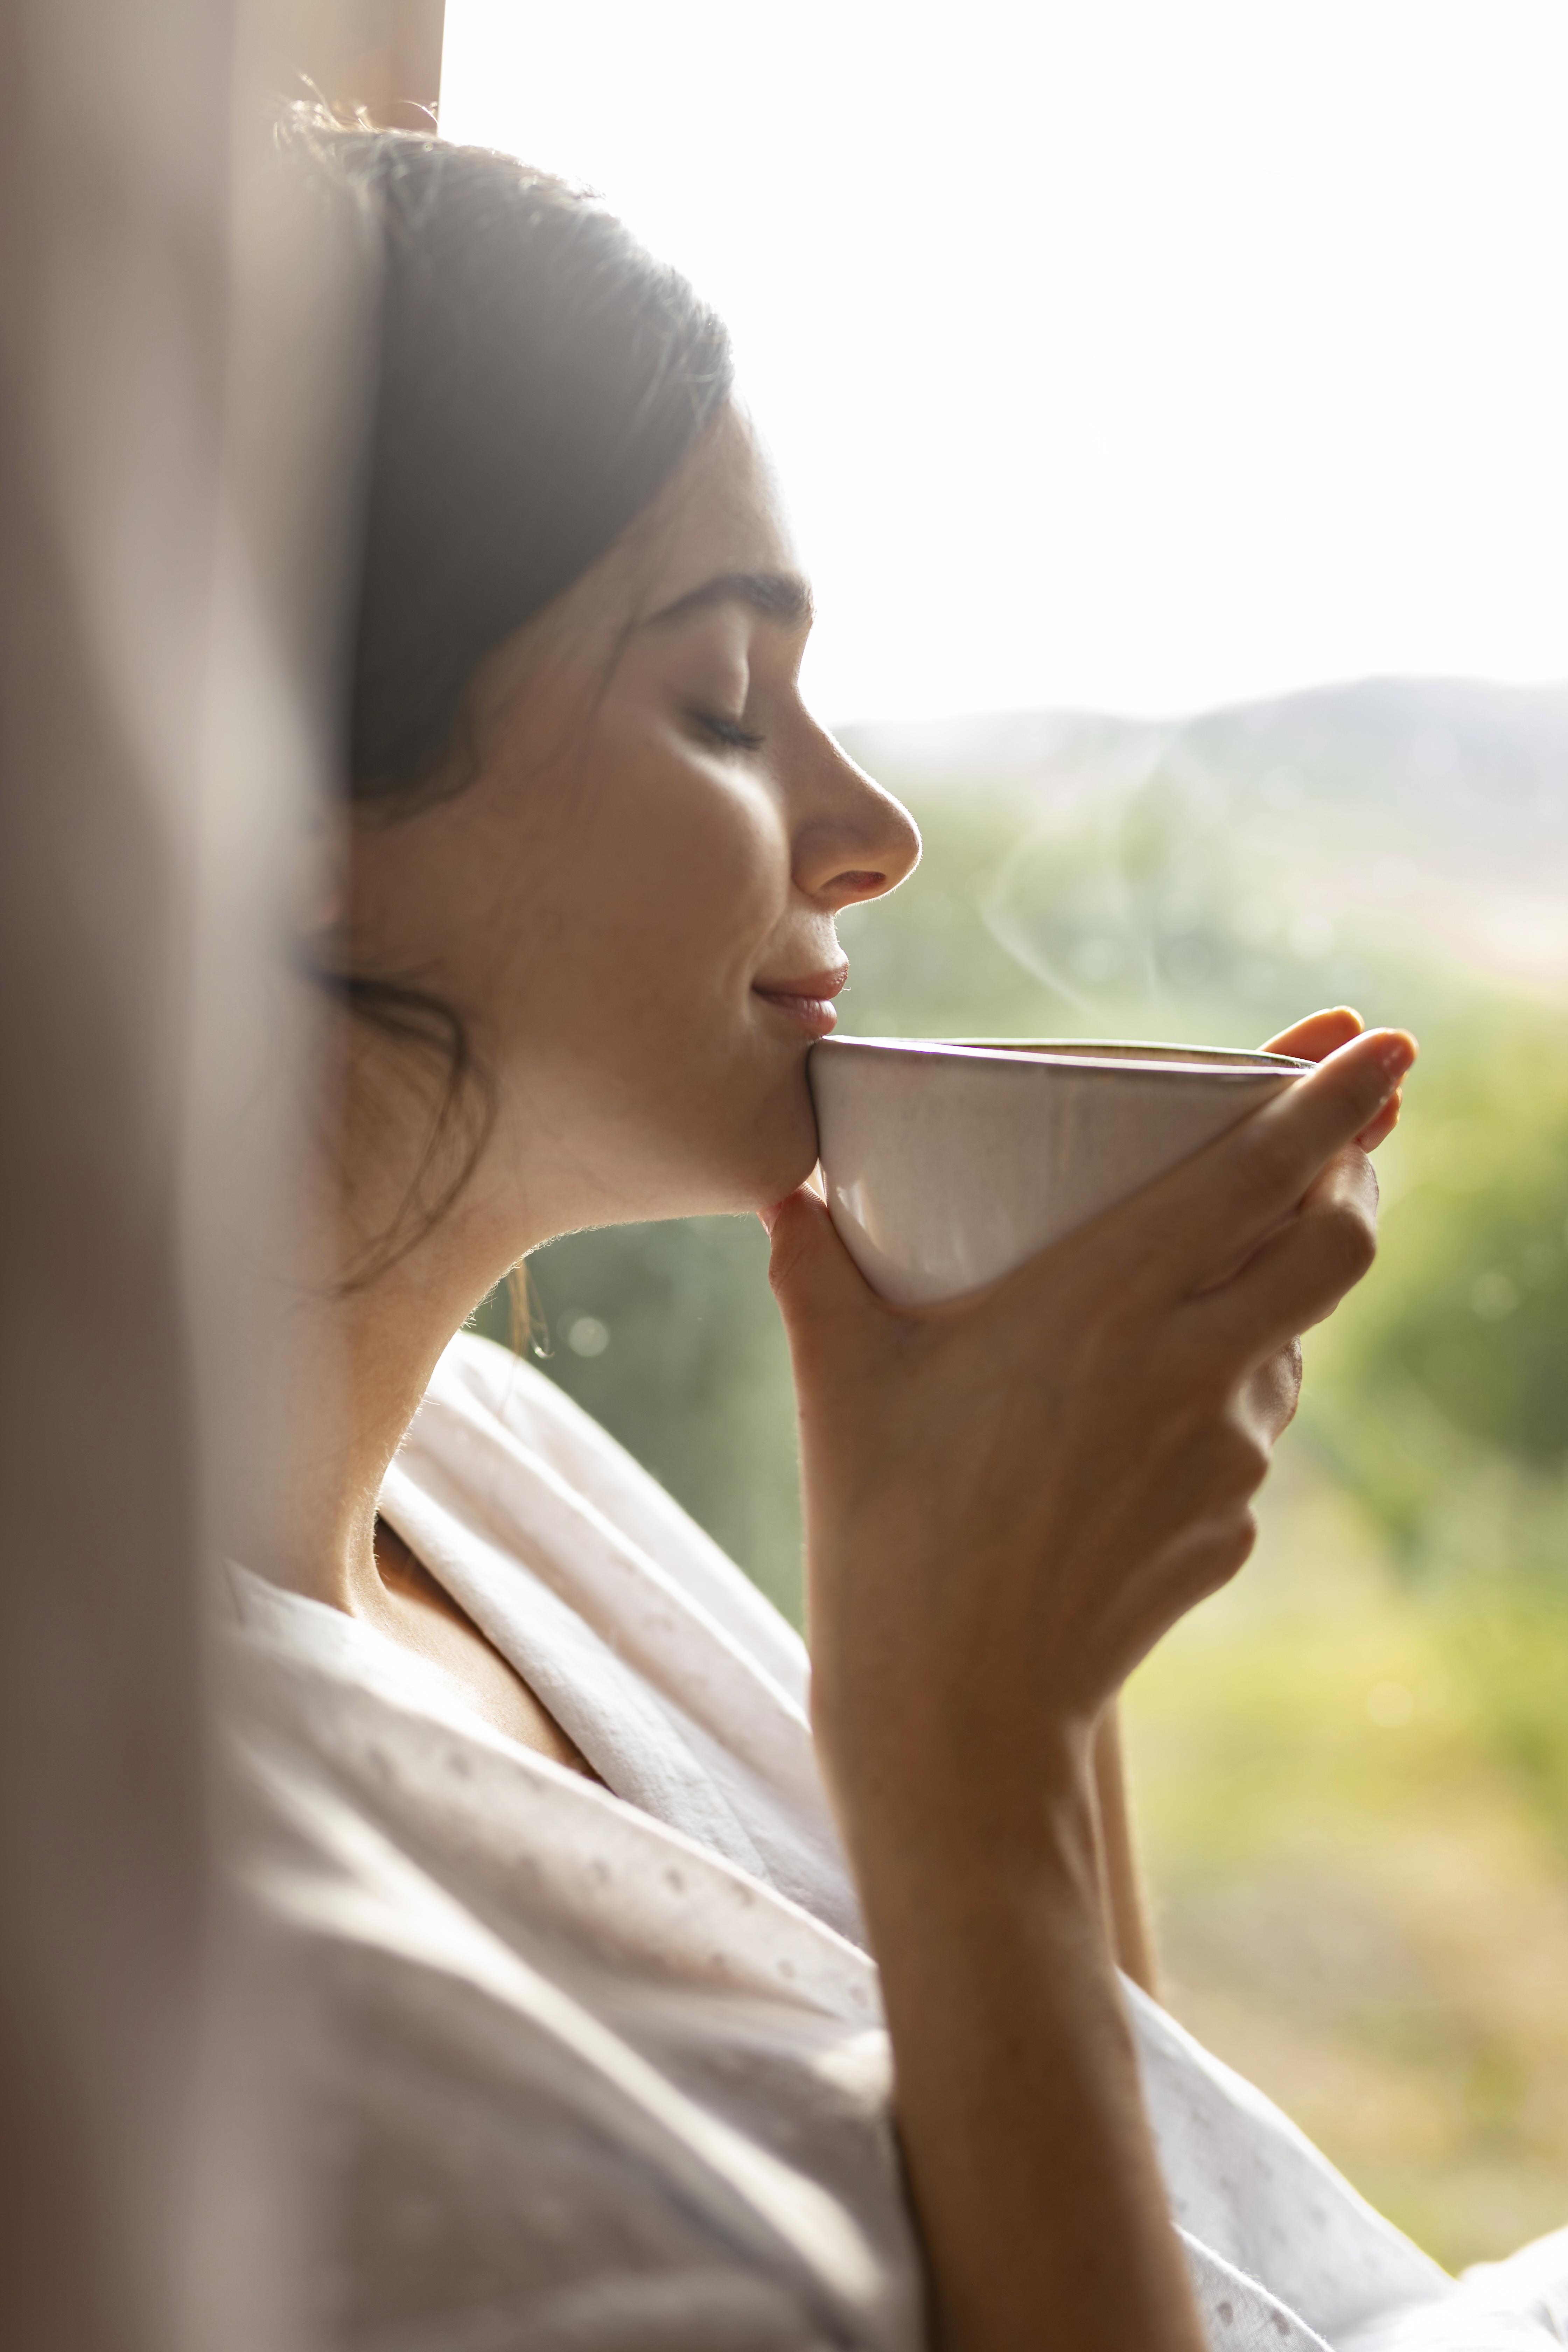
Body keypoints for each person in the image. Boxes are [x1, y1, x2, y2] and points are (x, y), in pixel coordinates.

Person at [228, 119, 1566, 2350]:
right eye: (723, 705)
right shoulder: (170, 1897)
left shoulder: (487, 1477)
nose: (871, 829)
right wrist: (969, 1763)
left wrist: (1038, 1597)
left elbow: (1122, 2209)